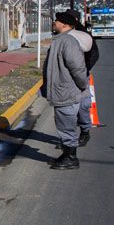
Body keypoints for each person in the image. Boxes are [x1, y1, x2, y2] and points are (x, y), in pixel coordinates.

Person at [42, 11, 89, 170]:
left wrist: (82, 85)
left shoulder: (67, 41)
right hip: (63, 91)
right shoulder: (61, 40)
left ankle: (70, 158)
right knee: (63, 125)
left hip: (66, 91)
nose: (54, 23)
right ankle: (67, 154)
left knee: (67, 125)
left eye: (56, 21)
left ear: (64, 24)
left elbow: (78, 68)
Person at [67, 10, 99, 146]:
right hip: (65, 77)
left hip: (80, 75)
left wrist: (84, 69)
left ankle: (85, 131)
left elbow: (94, 54)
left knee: (82, 106)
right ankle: (68, 139)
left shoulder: (83, 34)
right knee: (66, 109)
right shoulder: (62, 34)